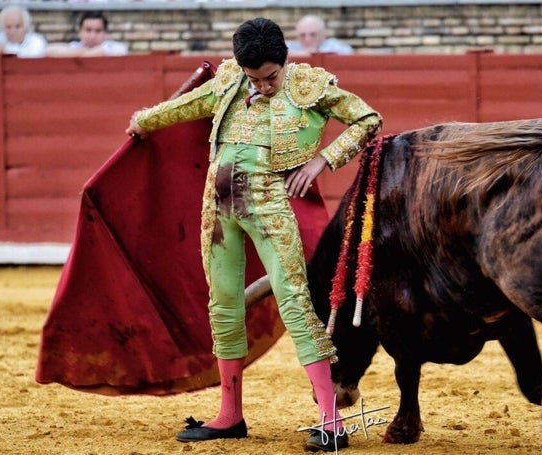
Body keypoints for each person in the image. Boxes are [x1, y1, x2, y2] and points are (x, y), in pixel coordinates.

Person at [125, 17, 381, 453]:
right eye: (254, 78)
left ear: (285, 62)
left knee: (296, 305)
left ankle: (331, 421)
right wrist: (145, 121)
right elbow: (187, 105)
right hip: (217, 209)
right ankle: (230, 416)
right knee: (223, 306)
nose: (262, 86)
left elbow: (367, 119)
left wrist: (321, 162)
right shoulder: (229, 80)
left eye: (270, 78)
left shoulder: (309, 86)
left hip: (268, 207)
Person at [45, 11, 127, 57]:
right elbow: (48, 50)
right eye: (88, 30)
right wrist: (83, 52)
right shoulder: (75, 46)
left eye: (98, 31)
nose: (92, 36)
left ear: (105, 33)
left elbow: (120, 52)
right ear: (80, 31)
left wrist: (79, 54)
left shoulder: (114, 47)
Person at [288, 15, 353, 55]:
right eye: (302, 35)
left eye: (313, 35)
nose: (307, 39)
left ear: (323, 36)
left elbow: (347, 51)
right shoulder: (292, 46)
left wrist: (313, 54)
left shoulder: (332, 45)